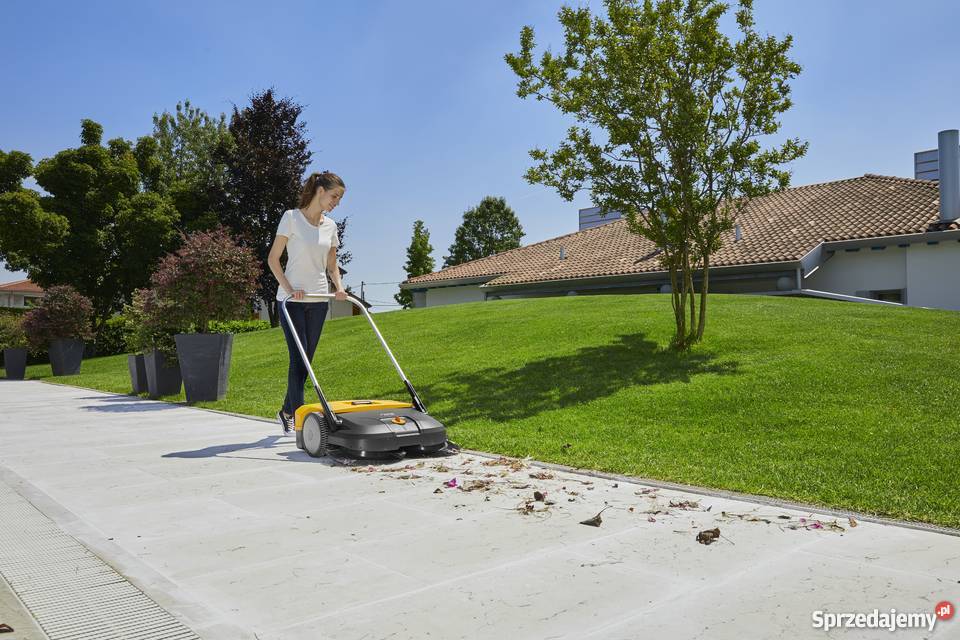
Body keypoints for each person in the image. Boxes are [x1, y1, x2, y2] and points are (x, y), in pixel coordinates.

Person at [267, 171, 347, 436]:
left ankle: (287, 411)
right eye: (334, 196)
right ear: (320, 191)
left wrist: (339, 287)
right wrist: (290, 289)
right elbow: (273, 259)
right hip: (291, 301)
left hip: (319, 299)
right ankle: (301, 421)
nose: (336, 202)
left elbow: (332, 264)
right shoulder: (291, 218)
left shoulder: (330, 226)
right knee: (298, 359)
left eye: (339, 198)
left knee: (307, 361)